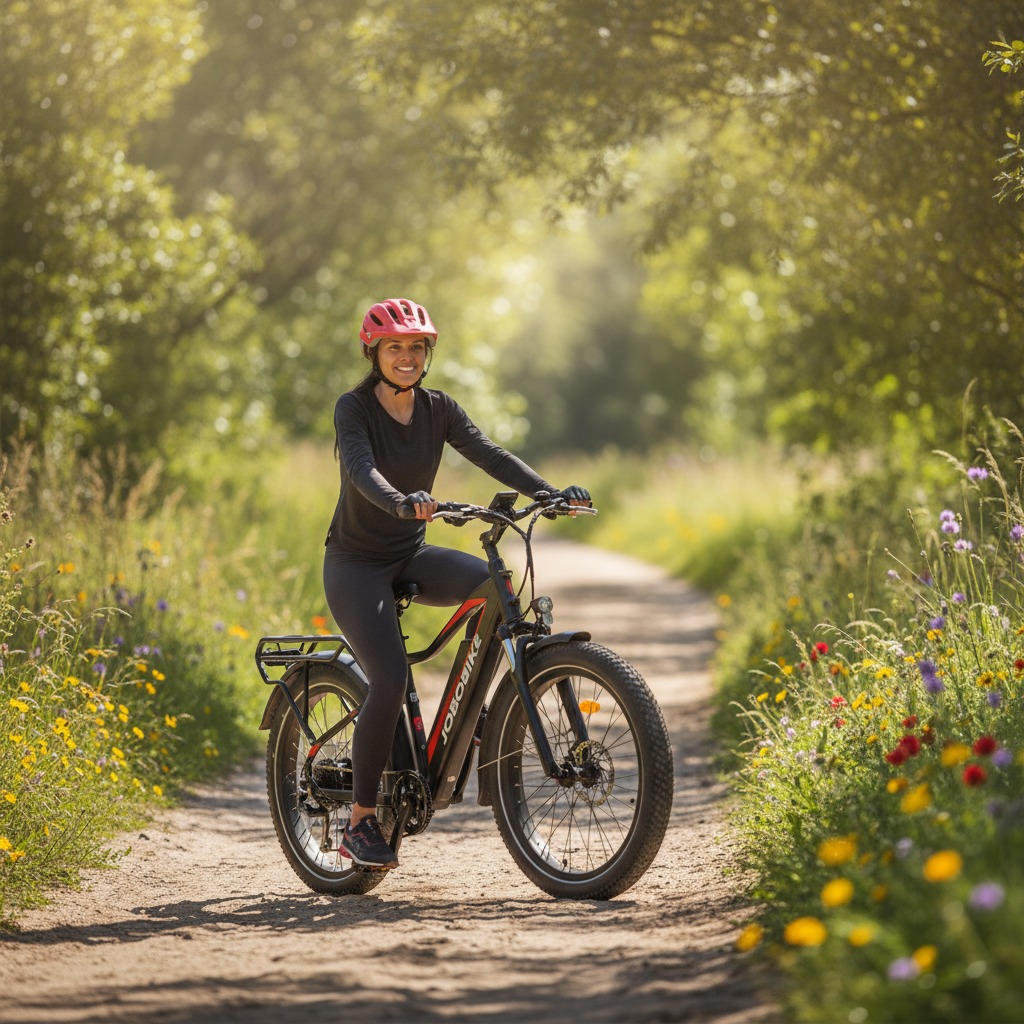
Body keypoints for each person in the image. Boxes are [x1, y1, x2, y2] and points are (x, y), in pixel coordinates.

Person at [323, 297, 590, 870]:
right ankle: (360, 821)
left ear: (428, 354)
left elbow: (489, 453)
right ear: (373, 353)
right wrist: (401, 501)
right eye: (394, 347)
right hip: (356, 565)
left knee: (496, 586)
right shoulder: (354, 407)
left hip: (409, 554)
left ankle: (473, 720)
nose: (407, 356)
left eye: (416, 347)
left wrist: (548, 492)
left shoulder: (438, 408)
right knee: (389, 676)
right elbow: (360, 468)